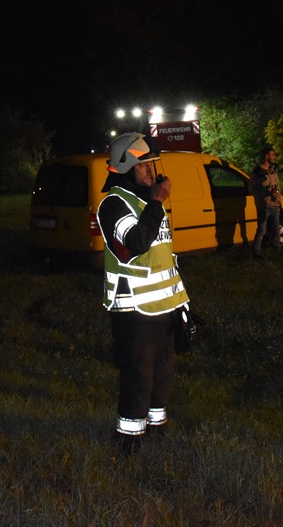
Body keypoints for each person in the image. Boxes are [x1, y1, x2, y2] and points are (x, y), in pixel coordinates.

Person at [96, 132, 192, 452]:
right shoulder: (114, 205)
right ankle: (129, 442)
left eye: (152, 164)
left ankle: (157, 432)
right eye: (144, 165)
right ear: (126, 167)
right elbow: (136, 242)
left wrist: (181, 303)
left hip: (165, 306)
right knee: (138, 376)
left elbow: (162, 257)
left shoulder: (147, 203)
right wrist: (156, 202)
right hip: (135, 310)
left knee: (163, 375)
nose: (151, 171)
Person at [251, 145, 283, 257]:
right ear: (266, 156)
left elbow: (277, 186)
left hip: (275, 204)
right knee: (262, 229)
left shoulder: (273, 170)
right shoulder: (258, 172)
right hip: (264, 205)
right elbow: (254, 189)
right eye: (272, 155)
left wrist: (278, 197)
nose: (274, 157)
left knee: (276, 228)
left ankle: (277, 250)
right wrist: (265, 195)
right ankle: (257, 252)